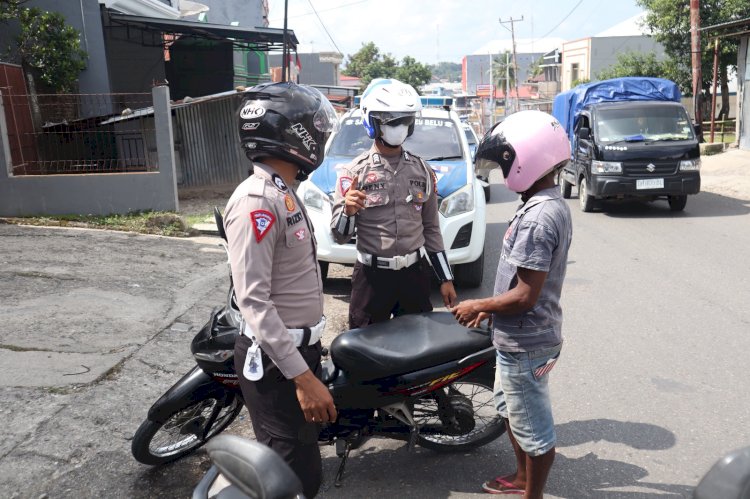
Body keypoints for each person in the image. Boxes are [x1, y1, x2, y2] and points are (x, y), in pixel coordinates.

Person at [223, 82, 339, 498]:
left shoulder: (280, 190)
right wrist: (304, 379)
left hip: (291, 354)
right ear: (295, 134)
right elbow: (254, 301)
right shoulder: (257, 200)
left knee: (300, 469)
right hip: (276, 364)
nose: (322, 135)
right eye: (317, 127)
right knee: (291, 477)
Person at [450, 110, 573, 498]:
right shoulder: (541, 201)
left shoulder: (538, 217)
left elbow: (524, 296)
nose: (504, 172)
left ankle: (531, 492)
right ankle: (521, 479)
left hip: (526, 343)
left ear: (527, 160)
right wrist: (491, 309)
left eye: (506, 162)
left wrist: (478, 304)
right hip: (515, 336)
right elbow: (517, 284)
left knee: (534, 430)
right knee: (513, 413)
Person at [330, 79, 457, 329]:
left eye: (405, 119)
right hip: (371, 278)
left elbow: (431, 228)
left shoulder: (422, 170)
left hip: (414, 276)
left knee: (418, 350)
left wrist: (445, 278)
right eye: (391, 119)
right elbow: (339, 236)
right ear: (373, 121)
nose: (399, 126)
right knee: (366, 354)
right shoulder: (353, 173)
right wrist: (348, 212)